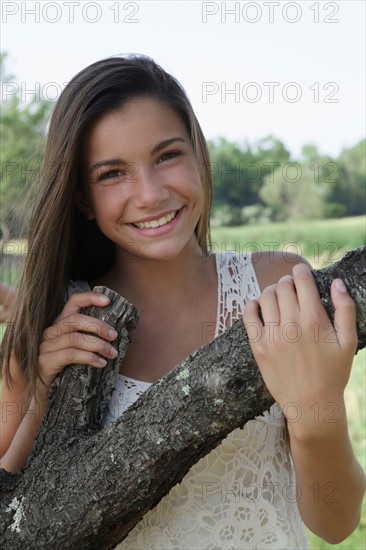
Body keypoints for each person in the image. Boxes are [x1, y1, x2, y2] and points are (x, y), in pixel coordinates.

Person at [0, 55, 364, 549]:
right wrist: (36, 388)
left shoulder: (277, 284)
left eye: (167, 155)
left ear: (198, 155)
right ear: (82, 197)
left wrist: (317, 410)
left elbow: (336, 523)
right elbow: (21, 522)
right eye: (112, 173)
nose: (149, 194)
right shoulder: (61, 326)